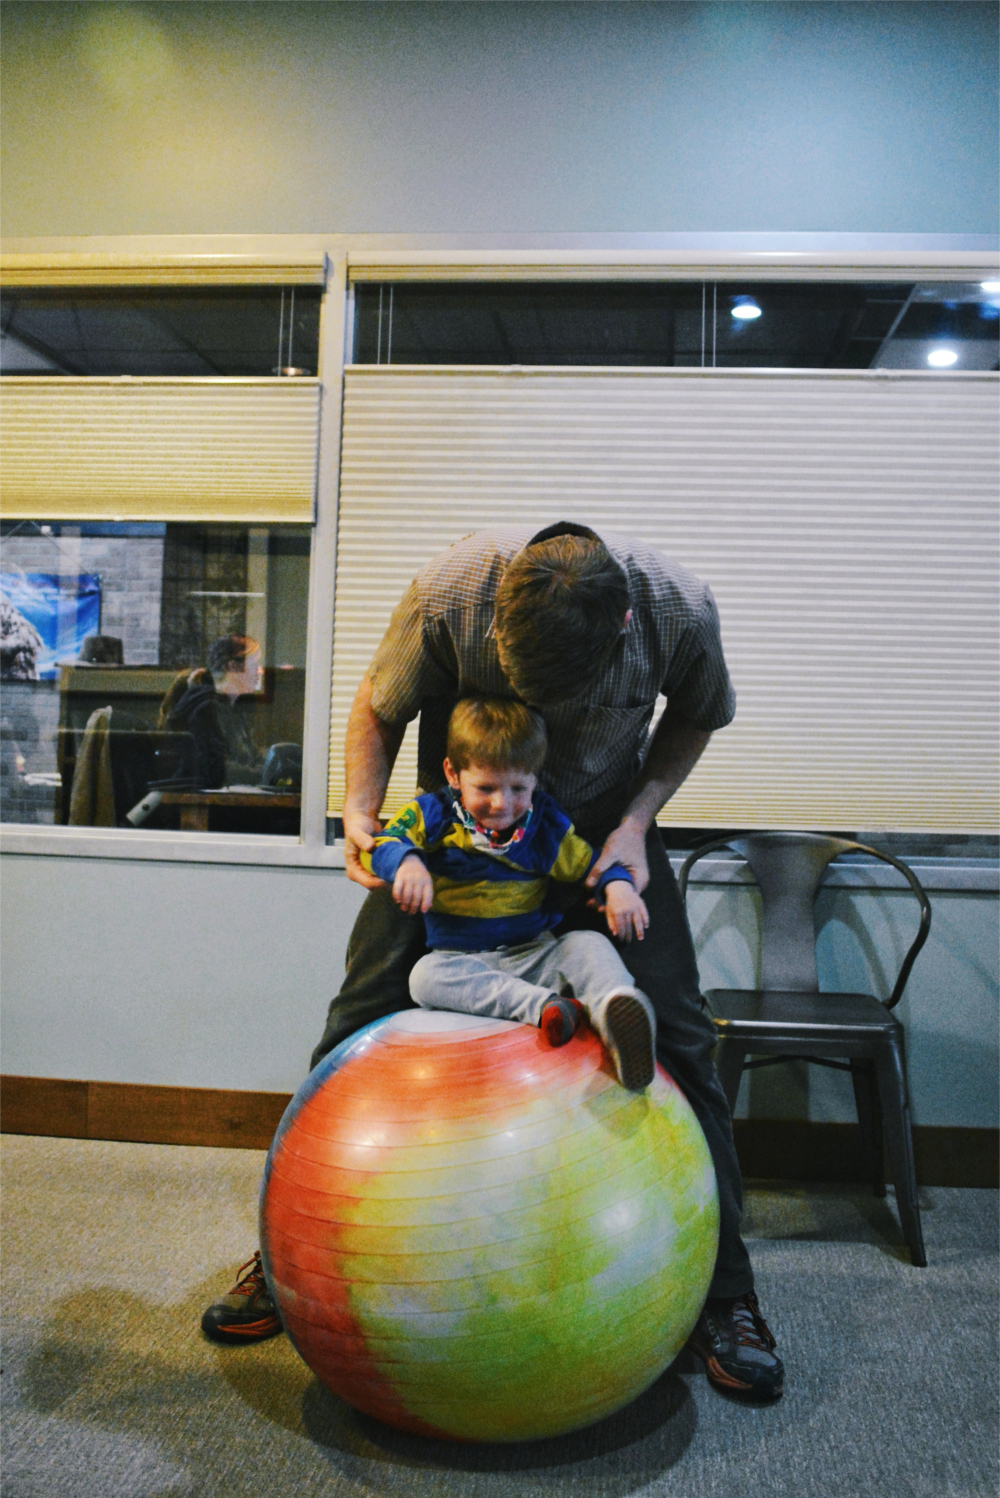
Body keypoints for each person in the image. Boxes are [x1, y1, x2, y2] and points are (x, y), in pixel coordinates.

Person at [202, 522, 784, 1401]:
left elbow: (701, 714)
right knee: (355, 1016)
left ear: (624, 626)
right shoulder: (450, 592)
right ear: (500, 615)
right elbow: (379, 702)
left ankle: (727, 1295)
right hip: (459, 841)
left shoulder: (681, 612)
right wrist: (362, 813)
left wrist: (633, 824)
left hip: (597, 831)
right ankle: (287, 1260)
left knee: (686, 1042)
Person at [367, 696, 658, 1088]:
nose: (502, 803)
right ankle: (544, 1008)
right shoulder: (432, 814)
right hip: (462, 962)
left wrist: (619, 885)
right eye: (485, 787)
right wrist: (407, 862)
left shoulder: (543, 825)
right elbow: (384, 842)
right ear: (453, 774)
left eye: (518, 787)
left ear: (535, 779)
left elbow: (589, 865)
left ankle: (618, 1012)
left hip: (534, 954)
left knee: (587, 945)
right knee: (423, 978)